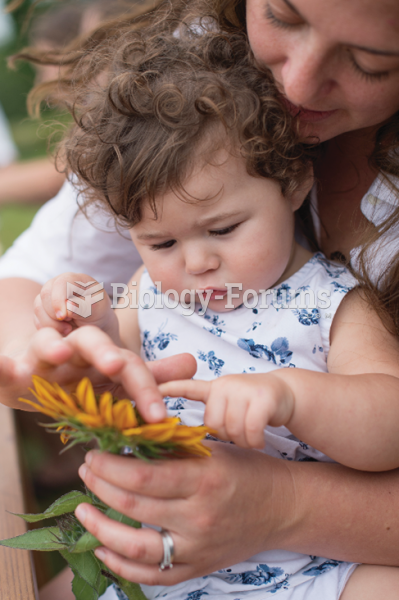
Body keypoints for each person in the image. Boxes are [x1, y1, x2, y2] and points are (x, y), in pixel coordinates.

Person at [1, 0, 399, 598]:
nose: (195, 262)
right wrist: (84, 329)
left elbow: (388, 420)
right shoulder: (151, 287)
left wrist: (291, 395)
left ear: (292, 184)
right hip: (174, 561)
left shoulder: (333, 303)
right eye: (159, 241)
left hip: (313, 567)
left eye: (223, 230)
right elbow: (116, 363)